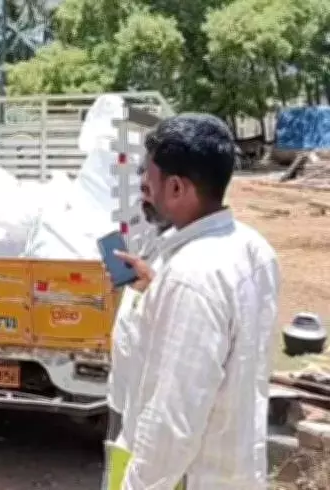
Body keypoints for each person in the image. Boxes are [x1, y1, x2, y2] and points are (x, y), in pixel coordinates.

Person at [106, 113, 280, 490]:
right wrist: (157, 290)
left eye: (148, 179)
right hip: (234, 467)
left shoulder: (192, 275)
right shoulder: (253, 249)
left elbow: (172, 419)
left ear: (177, 188)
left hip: (190, 477)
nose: (143, 189)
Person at [105, 199, 172, 444]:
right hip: (121, 395)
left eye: (149, 189)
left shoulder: (187, 257)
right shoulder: (151, 240)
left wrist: (153, 284)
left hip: (147, 404)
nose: (143, 201)